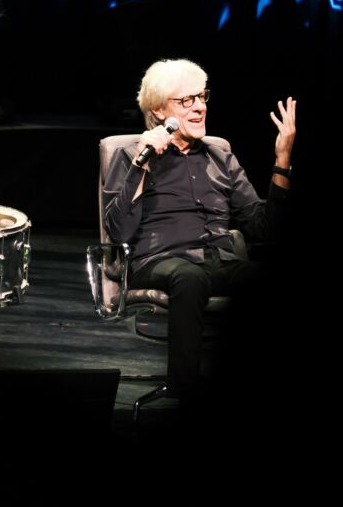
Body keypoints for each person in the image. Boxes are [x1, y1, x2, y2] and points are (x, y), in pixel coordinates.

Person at [103, 58, 296, 402]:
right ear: (160, 111)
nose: (200, 107)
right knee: (188, 277)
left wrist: (282, 160)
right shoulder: (132, 156)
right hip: (158, 261)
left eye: (202, 96)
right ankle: (184, 393)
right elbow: (118, 231)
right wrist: (142, 163)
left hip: (218, 261)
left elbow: (264, 229)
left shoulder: (221, 158)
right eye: (186, 100)